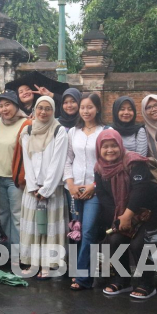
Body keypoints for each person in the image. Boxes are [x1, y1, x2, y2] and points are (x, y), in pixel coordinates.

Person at [96, 130, 157, 299]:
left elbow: (141, 190)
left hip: (152, 208)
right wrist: (119, 218)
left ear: (120, 145)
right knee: (115, 240)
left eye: (114, 145)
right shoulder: (99, 168)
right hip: (126, 212)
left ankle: (147, 284)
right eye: (105, 147)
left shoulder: (134, 161)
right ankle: (122, 280)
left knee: (140, 244)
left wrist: (128, 215)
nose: (110, 150)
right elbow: (103, 196)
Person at [18, 96, 68, 278]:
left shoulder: (59, 131)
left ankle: (47, 265)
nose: (43, 112)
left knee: (49, 228)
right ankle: (33, 264)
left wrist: (46, 190)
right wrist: (32, 187)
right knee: (32, 227)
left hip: (52, 190)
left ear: (53, 111)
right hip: (32, 190)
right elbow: (27, 160)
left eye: (48, 108)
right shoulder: (28, 130)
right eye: (40, 108)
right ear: (35, 110)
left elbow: (58, 162)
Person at [67, 93, 108, 291]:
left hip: (95, 190)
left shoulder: (106, 132)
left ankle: (83, 277)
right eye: (83, 107)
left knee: (89, 231)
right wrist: (71, 185)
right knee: (77, 232)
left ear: (98, 109)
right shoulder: (73, 132)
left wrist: (94, 186)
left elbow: (108, 162)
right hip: (75, 190)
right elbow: (67, 159)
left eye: (90, 107)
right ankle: (82, 274)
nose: (86, 111)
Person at [0, 90, 32, 254]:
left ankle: (19, 254)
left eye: (8, 104)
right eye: (0, 106)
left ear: (16, 105)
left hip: (15, 179)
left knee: (17, 217)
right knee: (1, 216)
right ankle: (4, 253)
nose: (4, 109)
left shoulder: (26, 124)